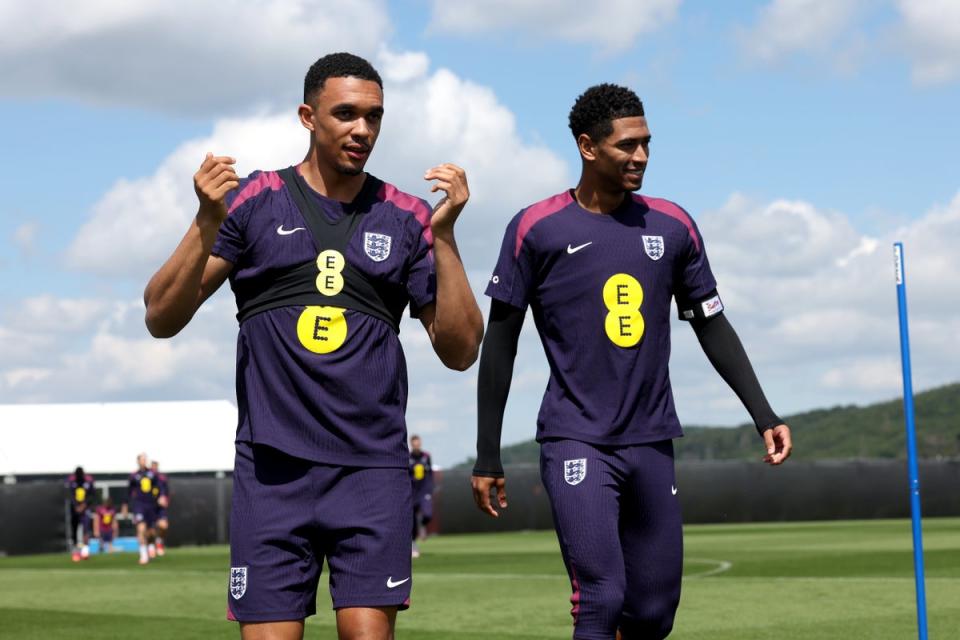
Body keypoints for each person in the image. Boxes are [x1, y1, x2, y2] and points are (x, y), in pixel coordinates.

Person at [143, 52, 483, 640]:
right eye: (346, 114)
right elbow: (161, 316)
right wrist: (205, 220)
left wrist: (445, 236)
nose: (363, 130)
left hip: (371, 471)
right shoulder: (253, 199)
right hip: (272, 470)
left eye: (374, 117)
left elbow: (460, 349)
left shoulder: (405, 216)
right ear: (308, 116)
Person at [471, 84, 793, 640]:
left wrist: (764, 414)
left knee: (652, 613)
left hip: (651, 441)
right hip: (575, 439)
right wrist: (487, 453)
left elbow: (711, 324)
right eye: (627, 145)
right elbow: (500, 343)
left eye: (646, 143)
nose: (641, 156)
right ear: (588, 147)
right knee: (601, 597)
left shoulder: (673, 226)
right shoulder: (536, 227)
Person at [128, 453, 160, 565]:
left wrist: (160, 498)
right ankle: (143, 555)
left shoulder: (152, 474)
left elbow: (158, 488)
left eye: (145, 459)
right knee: (141, 529)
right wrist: (126, 505)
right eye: (141, 459)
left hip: (151, 505)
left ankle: (151, 546)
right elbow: (129, 491)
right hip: (139, 505)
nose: (144, 461)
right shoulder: (134, 476)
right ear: (138, 461)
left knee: (151, 532)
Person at [407, 435, 434, 558]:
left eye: (418, 443)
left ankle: (422, 525)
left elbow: (430, 474)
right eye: (414, 444)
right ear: (411, 445)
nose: (416, 446)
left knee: (428, 514)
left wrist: (430, 489)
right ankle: (413, 545)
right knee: (411, 521)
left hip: (424, 491)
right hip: (412, 492)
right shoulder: (407, 457)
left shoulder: (426, 456)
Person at [65, 466, 94, 562]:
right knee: (74, 531)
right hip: (74, 510)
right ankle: (76, 552)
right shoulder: (71, 482)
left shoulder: (88, 481)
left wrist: (83, 506)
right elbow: (70, 495)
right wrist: (76, 506)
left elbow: (91, 495)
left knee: (86, 530)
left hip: (85, 510)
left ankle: (85, 552)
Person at [150, 460, 170, 556]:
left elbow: (166, 492)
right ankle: (151, 547)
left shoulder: (162, 478)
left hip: (160, 507)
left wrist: (165, 500)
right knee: (151, 529)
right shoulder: (146, 478)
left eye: (155, 467)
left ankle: (159, 542)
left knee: (163, 526)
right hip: (150, 506)